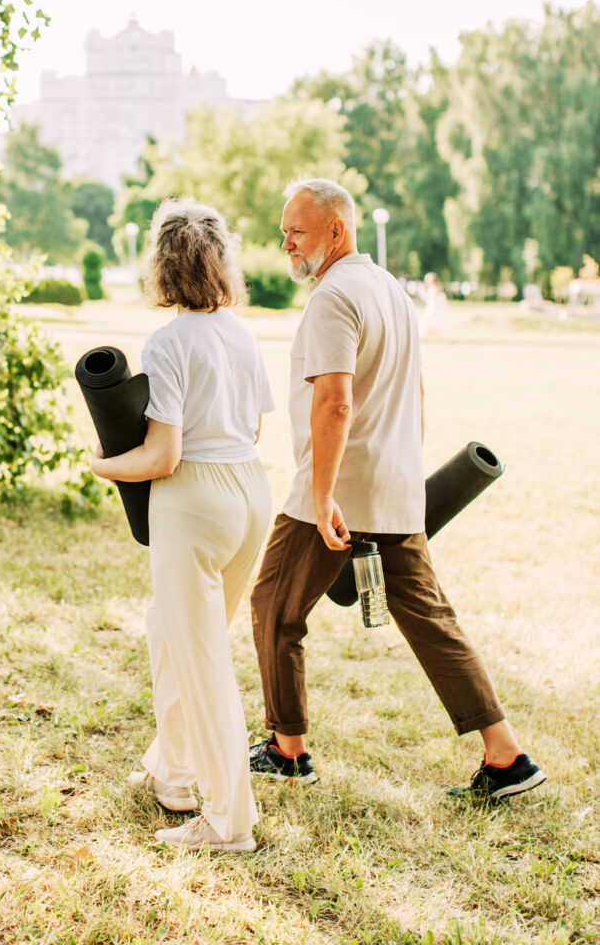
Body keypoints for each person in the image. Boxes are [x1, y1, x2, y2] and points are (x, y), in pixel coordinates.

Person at [248, 178, 546, 800]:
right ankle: (506, 756)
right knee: (432, 621)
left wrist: (322, 494)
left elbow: (334, 403)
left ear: (336, 231)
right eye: (284, 232)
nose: (286, 245)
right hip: (394, 488)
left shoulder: (333, 298)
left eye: (296, 232)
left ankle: (288, 749)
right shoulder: (389, 289)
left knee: (274, 605)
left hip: (336, 491)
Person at [91, 198, 274, 850]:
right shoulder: (242, 333)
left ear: (162, 266)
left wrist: (101, 465)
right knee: (168, 630)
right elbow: (251, 427)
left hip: (194, 500)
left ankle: (228, 824)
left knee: (202, 662)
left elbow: (163, 455)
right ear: (221, 262)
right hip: (252, 493)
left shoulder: (167, 341)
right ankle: (170, 772)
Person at [419, 271, 451, 340]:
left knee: (425, 321)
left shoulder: (433, 289)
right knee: (438, 323)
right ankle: (448, 337)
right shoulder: (435, 288)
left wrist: (421, 292)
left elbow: (428, 299)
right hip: (434, 309)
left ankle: (419, 336)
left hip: (433, 309)